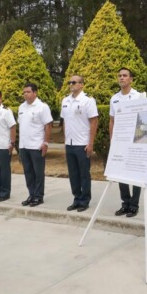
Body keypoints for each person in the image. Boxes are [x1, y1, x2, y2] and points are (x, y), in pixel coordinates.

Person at [60, 75, 98, 212]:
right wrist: (65, 139)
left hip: (82, 143)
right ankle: (76, 199)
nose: (71, 84)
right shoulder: (65, 100)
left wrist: (91, 143)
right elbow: (65, 122)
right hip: (69, 143)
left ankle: (85, 200)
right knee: (73, 174)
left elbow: (94, 121)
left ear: (81, 85)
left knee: (84, 173)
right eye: (70, 82)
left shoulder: (88, 101)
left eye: (74, 82)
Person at [109, 67, 144, 217]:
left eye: (125, 76)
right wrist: (112, 140)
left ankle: (134, 205)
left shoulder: (139, 96)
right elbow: (112, 120)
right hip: (120, 141)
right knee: (121, 173)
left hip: (135, 140)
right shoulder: (114, 98)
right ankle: (125, 203)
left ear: (131, 79)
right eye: (120, 76)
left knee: (135, 174)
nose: (122, 78)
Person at [17, 82, 53, 207]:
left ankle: (38, 196)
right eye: (24, 92)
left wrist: (46, 143)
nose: (25, 94)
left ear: (35, 93)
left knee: (38, 173)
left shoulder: (42, 107)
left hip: (37, 145)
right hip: (24, 146)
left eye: (28, 92)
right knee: (28, 172)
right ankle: (31, 194)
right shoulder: (21, 107)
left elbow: (48, 125)